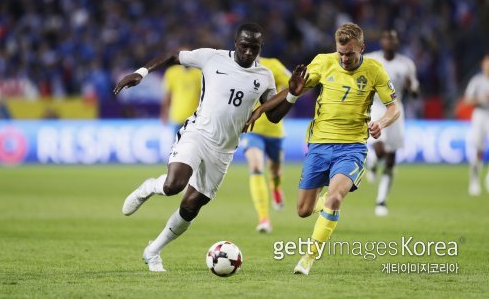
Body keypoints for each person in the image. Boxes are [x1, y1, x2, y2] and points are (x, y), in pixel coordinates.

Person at [112, 23, 304, 273]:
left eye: (254, 48)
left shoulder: (264, 76)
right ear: (235, 42)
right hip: (197, 134)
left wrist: (291, 95)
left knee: (190, 207)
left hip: (224, 150)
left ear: (260, 48)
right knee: (173, 186)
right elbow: (173, 55)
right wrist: (141, 72)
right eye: (244, 46)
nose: (248, 52)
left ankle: (153, 251)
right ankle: (150, 187)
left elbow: (274, 116)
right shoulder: (212, 57)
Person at [245, 23, 400, 275]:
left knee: (336, 198)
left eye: (350, 53)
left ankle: (308, 257)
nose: (345, 59)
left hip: (352, 148)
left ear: (361, 47)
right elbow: (292, 90)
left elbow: (394, 107)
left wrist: (380, 123)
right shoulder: (322, 63)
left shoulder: (374, 70)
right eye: (341, 53)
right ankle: (323, 203)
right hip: (319, 146)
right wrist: (262, 109)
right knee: (304, 210)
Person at [364, 30, 420, 216]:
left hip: (396, 109)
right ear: (381, 41)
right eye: (387, 39)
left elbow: (415, 93)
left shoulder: (406, 64)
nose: (390, 42)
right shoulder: (371, 59)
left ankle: (381, 200)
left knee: (391, 158)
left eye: (393, 40)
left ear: (397, 43)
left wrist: (412, 87)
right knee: (380, 149)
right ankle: (371, 160)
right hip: (376, 107)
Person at [239, 57, 291, 233]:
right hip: (252, 129)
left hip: (275, 130)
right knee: (255, 167)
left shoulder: (273, 65)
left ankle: (275, 187)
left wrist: (279, 100)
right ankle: (263, 218)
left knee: (275, 171)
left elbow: (294, 85)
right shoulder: (236, 68)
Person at [464, 53, 489, 196]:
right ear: (483, 65)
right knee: (478, 149)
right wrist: (480, 99)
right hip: (480, 114)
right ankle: (474, 181)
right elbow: (467, 101)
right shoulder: (477, 81)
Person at [160, 64, 202, 135]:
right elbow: (167, 95)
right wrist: (164, 114)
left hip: (194, 119)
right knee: (177, 143)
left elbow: (202, 96)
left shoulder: (199, 73)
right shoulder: (171, 72)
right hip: (177, 117)